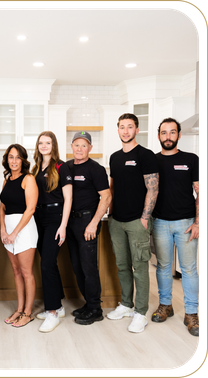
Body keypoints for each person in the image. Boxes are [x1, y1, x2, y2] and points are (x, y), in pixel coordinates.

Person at [107, 113, 159, 333]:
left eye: (130, 127)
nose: (125, 131)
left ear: (137, 129)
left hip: (138, 221)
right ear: (117, 130)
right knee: (122, 266)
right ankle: (126, 305)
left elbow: (153, 188)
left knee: (139, 267)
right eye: (122, 127)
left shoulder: (146, 155)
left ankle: (140, 313)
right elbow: (112, 186)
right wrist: (109, 213)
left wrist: (145, 218)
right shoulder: (114, 157)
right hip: (116, 221)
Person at [151, 118, 200, 336]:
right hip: (159, 222)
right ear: (159, 135)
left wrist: (199, 222)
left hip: (187, 223)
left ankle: (191, 313)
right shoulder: (151, 161)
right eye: (164, 132)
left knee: (189, 269)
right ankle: (165, 305)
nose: (168, 136)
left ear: (178, 135)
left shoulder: (191, 159)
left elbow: (201, 192)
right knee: (163, 267)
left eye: (172, 132)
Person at [66, 131, 111, 325]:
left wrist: (94, 223)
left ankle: (95, 309)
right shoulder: (66, 167)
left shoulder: (96, 169)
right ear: (71, 146)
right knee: (77, 267)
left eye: (84, 145)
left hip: (87, 223)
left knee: (88, 267)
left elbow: (106, 196)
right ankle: (88, 303)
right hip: (70, 223)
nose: (80, 148)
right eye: (77, 144)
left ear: (90, 148)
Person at [33, 131, 72, 333]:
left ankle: (52, 314)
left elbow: (68, 198)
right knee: (50, 263)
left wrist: (63, 225)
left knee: (46, 264)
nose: (44, 145)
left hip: (55, 218)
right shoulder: (36, 168)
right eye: (41, 143)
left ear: (54, 145)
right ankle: (57, 305)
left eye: (48, 142)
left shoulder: (61, 166)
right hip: (38, 219)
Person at [0, 144, 38, 327]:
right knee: (16, 271)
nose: (14, 161)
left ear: (23, 160)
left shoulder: (28, 179)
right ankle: (19, 309)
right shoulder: (7, 179)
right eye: (11, 157)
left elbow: (30, 209)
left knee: (26, 272)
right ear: (7, 159)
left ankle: (28, 313)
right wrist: (2, 230)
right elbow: (2, 206)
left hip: (24, 230)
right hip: (8, 232)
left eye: (17, 157)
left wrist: (14, 233)